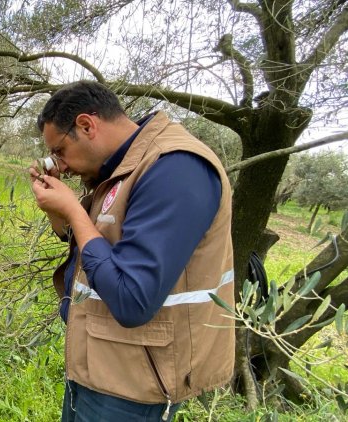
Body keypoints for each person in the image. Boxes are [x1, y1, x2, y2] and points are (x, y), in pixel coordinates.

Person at [30, 80, 234, 421]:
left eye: (60, 151)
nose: (60, 165)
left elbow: (132, 299)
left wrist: (75, 211)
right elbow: (96, 241)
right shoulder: (123, 168)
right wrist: (59, 211)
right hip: (98, 364)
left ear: (86, 125)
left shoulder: (175, 168)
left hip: (135, 386)